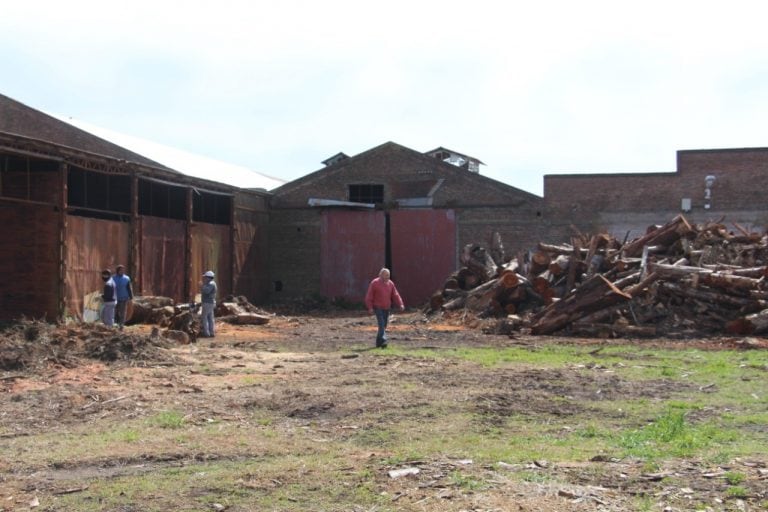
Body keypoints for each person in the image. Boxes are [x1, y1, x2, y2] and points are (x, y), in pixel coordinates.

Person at [365, 267, 405, 348]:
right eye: (386, 275)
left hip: (387, 308)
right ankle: (384, 341)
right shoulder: (374, 283)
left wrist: (400, 304)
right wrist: (370, 307)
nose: (387, 277)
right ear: (380, 275)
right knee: (381, 324)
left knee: (384, 325)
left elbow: (395, 295)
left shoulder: (390, 284)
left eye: (388, 275)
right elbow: (369, 296)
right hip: (378, 307)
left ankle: (378, 343)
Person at [112, 264, 133, 330]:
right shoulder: (113, 278)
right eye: (120, 270)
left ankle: (121, 325)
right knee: (114, 312)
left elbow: (129, 288)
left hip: (124, 298)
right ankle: (114, 324)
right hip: (115, 298)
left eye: (123, 270)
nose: (122, 271)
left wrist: (131, 296)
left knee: (122, 312)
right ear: (117, 271)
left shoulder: (126, 278)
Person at [200, 270, 217, 337]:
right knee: (210, 318)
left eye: (205, 277)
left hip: (207, 303)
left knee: (204, 317)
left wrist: (202, 286)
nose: (204, 279)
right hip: (210, 303)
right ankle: (211, 332)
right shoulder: (212, 283)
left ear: (209, 277)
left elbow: (206, 291)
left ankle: (206, 333)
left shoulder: (211, 284)